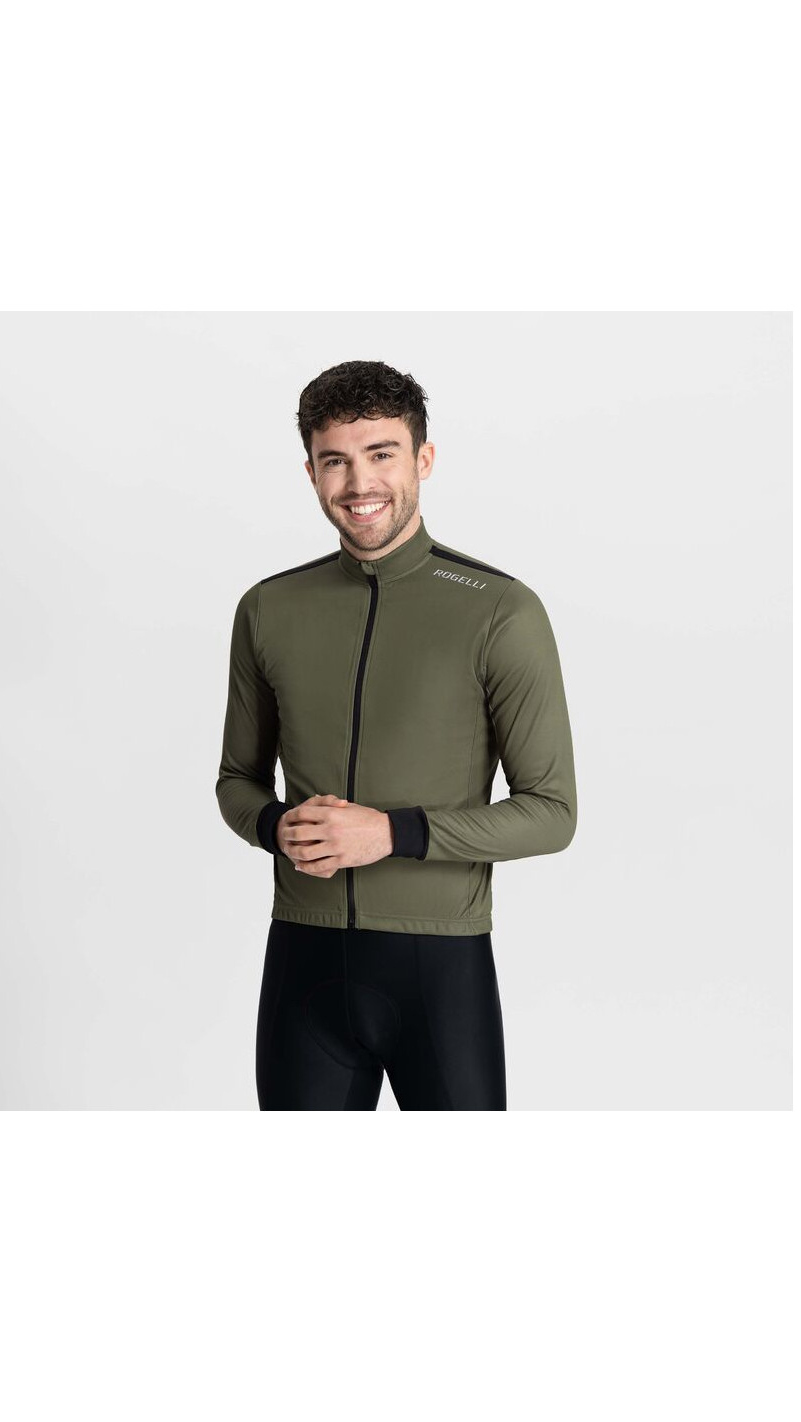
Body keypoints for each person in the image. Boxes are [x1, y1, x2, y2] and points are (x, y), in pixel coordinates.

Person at [216, 360, 578, 1109]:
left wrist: (391, 833)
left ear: (424, 459)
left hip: (439, 971)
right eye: (334, 461)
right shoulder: (269, 608)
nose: (359, 484)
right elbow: (236, 783)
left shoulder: (500, 610)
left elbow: (552, 813)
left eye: (381, 454)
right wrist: (279, 826)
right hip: (303, 962)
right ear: (310, 471)